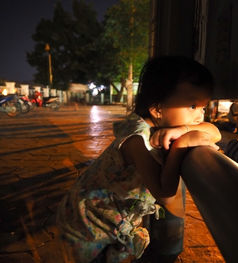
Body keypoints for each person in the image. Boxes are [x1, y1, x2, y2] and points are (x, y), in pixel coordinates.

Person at [56, 55, 222, 263]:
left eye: (203, 108)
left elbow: (215, 132)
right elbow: (164, 192)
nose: (200, 117)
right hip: (85, 224)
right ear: (158, 109)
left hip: (112, 219)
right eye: (193, 106)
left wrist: (185, 129)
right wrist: (181, 144)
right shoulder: (137, 140)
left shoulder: (162, 122)